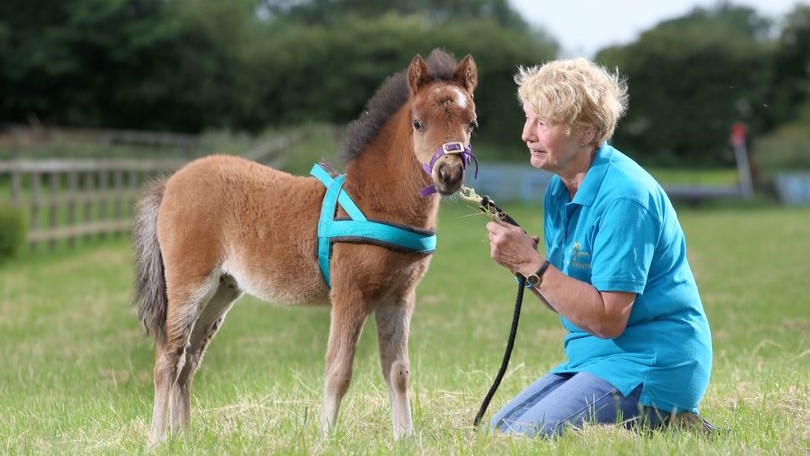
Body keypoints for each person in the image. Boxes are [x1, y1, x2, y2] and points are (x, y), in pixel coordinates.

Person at [485, 58, 713, 438]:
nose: (527, 133)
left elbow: (607, 319)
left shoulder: (625, 197)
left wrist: (533, 264)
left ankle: (668, 415)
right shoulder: (560, 189)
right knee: (501, 428)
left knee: (521, 439)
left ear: (587, 132)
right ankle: (668, 423)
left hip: (650, 363)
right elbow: (571, 299)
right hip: (596, 359)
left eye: (543, 122)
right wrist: (527, 268)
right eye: (527, 118)